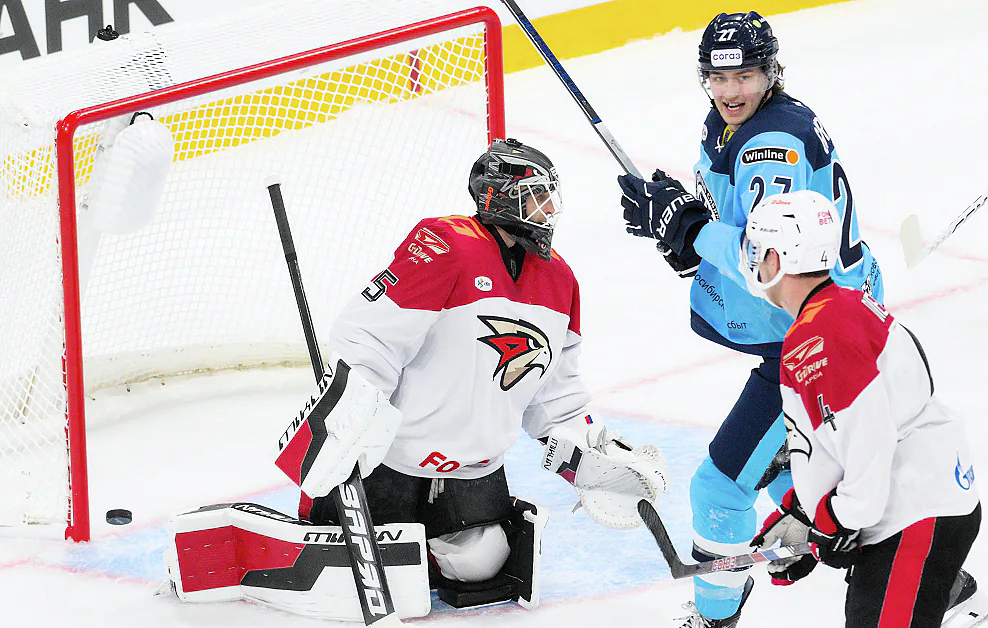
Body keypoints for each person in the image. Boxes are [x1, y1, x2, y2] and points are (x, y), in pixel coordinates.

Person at [163, 138, 668, 621]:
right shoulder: (448, 244)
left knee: (482, 562)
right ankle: (277, 539)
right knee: (362, 573)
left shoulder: (560, 279)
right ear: (498, 197)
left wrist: (590, 455)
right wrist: (352, 407)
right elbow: (372, 332)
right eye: (535, 196)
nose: (548, 209)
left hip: (471, 464)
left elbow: (555, 392)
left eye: (550, 196)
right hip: (394, 455)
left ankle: (416, 545)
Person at [616, 11, 882, 626]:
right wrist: (683, 226)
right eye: (718, 77)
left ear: (771, 73)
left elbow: (774, 262)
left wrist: (690, 230)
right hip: (815, 322)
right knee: (793, 474)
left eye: (746, 76)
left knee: (718, 487)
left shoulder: (770, 146)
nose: (731, 90)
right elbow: (742, 230)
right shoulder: (736, 123)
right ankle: (942, 582)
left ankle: (716, 618)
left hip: (813, 337)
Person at [743, 190, 988, 628]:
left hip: (913, 516)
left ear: (777, 257)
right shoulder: (842, 308)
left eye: (757, 251)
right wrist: (805, 512)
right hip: (917, 509)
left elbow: (868, 439)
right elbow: (850, 435)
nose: (754, 263)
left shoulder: (818, 335)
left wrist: (837, 521)